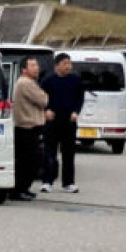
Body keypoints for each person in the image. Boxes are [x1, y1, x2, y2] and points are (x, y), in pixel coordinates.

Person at [39, 53, 83, 193]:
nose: (68, 66)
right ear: (57, 65)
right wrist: (45, 110)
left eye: (69, 63)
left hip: (69, 121)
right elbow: (40, 98)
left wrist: (76, 111)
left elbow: (80, 98)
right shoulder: (48, 80)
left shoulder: (76, 80)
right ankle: (47, 181)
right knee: (49, 152)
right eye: (65, 63)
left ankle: (68, 183)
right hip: (52, 121)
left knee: (68, 153)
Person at [11, 59, 50, 201]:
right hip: (27, 128)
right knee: (27, 161)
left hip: (28, 127)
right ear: (24, 69)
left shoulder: (28, 83)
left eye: (37, 65)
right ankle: (19, 190)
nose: (36, 68)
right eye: (32, 65)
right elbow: (44, 100)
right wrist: (45, 96)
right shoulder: (26, 83)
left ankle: (23, 189)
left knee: (29, 161)